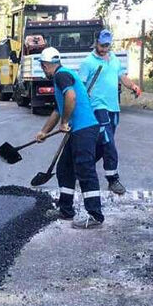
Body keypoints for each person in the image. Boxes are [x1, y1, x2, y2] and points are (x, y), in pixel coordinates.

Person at [34, 47, 104, 228]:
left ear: (45, 65)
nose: (43, 70)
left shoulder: (60, 75)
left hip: (85, 129)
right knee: (65, 167)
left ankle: (95, 215)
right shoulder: (63, 75)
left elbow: (71, 97)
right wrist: (44, 132)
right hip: (78, 130)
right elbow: (58, 109)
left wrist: (65, 122)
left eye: (43, 67)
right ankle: (66, 209)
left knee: (85, 170)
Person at [80, 29, 141, 195]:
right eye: (102, 45)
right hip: (97, 107)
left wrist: (133, 86)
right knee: (109, 143)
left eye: (107, 45)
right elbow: (81, 87)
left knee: (104, 143)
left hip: (113, 107)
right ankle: (113, 179)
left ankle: (82, 166)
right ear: (96, 42)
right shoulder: (88, 62)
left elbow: (122, 76)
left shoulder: (113, 59)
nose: (105, 48)